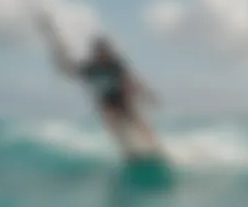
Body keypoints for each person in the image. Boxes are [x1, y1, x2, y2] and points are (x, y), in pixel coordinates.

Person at [39, 16, 163, 159]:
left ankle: (157, 148)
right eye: (99, 52)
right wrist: (53, 40)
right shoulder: (90, 68)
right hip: (106, 102)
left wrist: (147, 95)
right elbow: (69, 69)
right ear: (95, 53)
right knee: (113, 124)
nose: (102, 55)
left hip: (121, 99)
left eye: (105, 51)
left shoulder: (114, 64)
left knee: (137, 121)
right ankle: (130, 153)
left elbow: (131, 80)